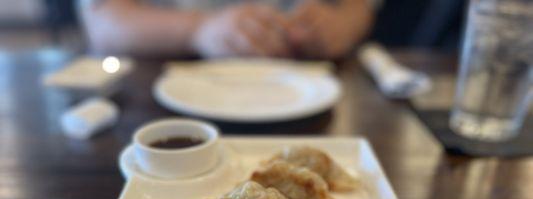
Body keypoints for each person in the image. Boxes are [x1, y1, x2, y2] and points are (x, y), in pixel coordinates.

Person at [78, 0, 375, 59]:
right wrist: (198, 29)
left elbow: (358, 7)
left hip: (310, 89)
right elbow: (104, 22)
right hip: (161, 102)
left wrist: (339, 26)